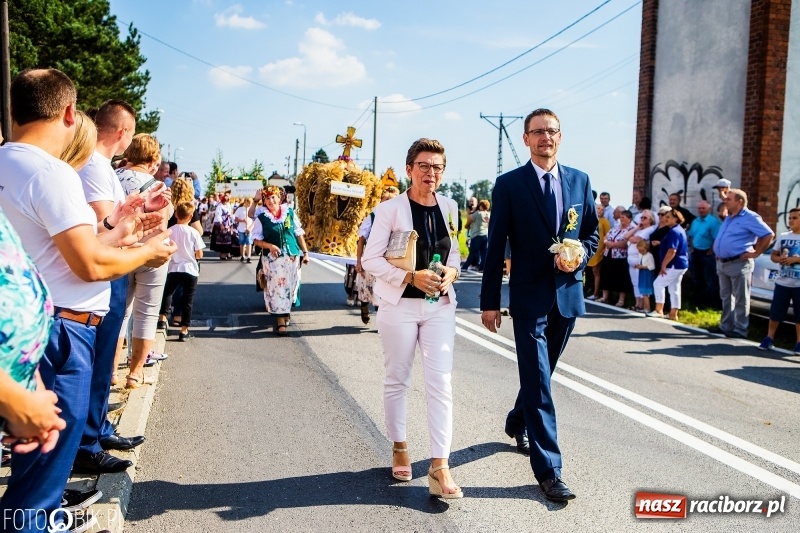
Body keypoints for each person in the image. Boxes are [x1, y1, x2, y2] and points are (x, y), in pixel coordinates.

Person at [0, 68, 174, 533]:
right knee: (42, 471)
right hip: (60, 330)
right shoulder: (50, 172)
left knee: (34, 466)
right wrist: (149, 252)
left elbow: (61, 247)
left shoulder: (9, 162)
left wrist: (118, 226)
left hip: (32, 328)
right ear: (69, 113)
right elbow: (90, 265)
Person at [480, 109, 598, 502]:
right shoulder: (509, 184)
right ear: (526, 139)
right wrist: (490, 301)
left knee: (541, 376)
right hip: (528, 297)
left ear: (560, 137)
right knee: (538, 380)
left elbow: (591, 234)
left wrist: (579, 257)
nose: (545, 137)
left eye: (552, 131)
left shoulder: (580, 180)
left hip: (567, 295)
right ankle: (550, 471)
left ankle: (518, 420)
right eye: (538, 131)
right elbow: (495, 246)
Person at [362, 138, 463, 499]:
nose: (430, 173)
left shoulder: (450, 207)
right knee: (397, 378)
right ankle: (400, 446)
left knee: (441, 383)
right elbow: (370, 260)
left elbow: (455, 253)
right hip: (399, 306)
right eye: (424, 166)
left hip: (439, 307)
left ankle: (440, 466)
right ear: (409, 169)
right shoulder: (389, 210)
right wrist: (409, 277)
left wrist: (451, 273)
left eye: (437, 167)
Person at [77, 100, 153, 475]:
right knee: (97, 358)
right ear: (122, 132)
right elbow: (104, 223)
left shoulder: (102, 166)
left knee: (104, 354)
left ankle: (98, 428)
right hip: (105, 269)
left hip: (112, 268)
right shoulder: (93, 165)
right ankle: (88, 440)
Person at [116, 133, 175, 389]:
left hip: (119, 249)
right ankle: (135, 373)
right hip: (150, 252)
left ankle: (111, 371)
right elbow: (161, 225)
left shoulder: (113, 177)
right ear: (153, 159)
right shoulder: (158, 186)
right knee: (147, 312)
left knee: (120, 312)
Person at [710, 189, 774, 338]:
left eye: (729, 199)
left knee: (741, 298)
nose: (725, 201)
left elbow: (768, 234)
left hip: (738, 263)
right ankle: (726, 326)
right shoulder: (729, 216)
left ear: (739, 202)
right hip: (723, 263)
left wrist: (756, 253)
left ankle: (740, 330)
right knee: (726, 297)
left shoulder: (750, 217)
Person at [251, 186, 310, 335]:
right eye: (267, 198)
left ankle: (286, 312)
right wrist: (269, 246)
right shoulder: (262, 217)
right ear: (264, 201)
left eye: (273, 197)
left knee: (291, 286)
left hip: (292, 257)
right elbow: (256, 240)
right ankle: (280, 322)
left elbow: (298, 233)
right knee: (277, 289)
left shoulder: (289, 212)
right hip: (273, 261)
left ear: (279, 198)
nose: (271, 201)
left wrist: (305, 252)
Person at [158, 203, 205, 342]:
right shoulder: (194, 232)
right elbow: (199, 254)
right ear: (190, 217)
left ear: (176, 214)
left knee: (168, 293)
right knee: (188, 300)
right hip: (190, 269)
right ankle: (184, 330)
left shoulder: (170, 231)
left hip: (173, 268)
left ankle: (162, 318)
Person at [355, 186, 400, 324]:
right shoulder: (373, 216)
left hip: (389, 260)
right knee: (366, 287)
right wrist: (359, 261)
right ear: (381, 201)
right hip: (372, 258)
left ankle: (382, 322)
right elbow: (361, 240)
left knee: (383, 292)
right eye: (387, 201)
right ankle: (364, 306)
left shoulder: (398, 217)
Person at [759, 208, 800, 353]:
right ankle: (769, 338)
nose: (791, 220)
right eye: (790, 218)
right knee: (775, 312)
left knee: (798, 315)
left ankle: (799, 342)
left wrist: (796, 260)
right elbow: (773, 255)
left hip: (798, 284)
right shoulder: (783, 236)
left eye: (795, 218)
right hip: (782, 282)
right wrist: (779, 259)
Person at [647, 209, 689, 320]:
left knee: (658, 283)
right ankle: (673, 314)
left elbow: (672, 250)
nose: (665, 219)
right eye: (665, 216)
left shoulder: (674, 231)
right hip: (681, 264)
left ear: (676, 219)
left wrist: (664, 265)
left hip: (674, 264)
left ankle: (659, 310)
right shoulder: (678, 230)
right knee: (674, 288)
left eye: (668, 217)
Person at [686, 200, 721, 305]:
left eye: (703, 208)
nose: (701, 210)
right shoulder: (695, 221)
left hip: (707, 254)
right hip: (696, 252)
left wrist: (711, 250)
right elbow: (691, 235)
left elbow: (716, 238)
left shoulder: (714, 222)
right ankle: (698, 301)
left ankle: (710, 303)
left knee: (709, 279)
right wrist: (692, 248)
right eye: (699, 208)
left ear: (709, 209)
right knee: (696, 277)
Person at [599, 209, 635, 306]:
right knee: (606, 274)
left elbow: (626, 243)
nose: (621, 219)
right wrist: (607, 242)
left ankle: (621, 300)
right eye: (621, 217)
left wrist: (613, 244)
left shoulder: (631, 229)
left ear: (629, 219)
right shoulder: (616, 227)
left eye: (623, 217)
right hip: (608, 253)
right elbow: (606, 236)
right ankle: (605, 297)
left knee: (621, 278)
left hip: (620, 256)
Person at [624, 209, 656, 311]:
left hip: (640, 259)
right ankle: (637, 303)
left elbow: (634, 239)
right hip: (631, 259)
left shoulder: (650, 229)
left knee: (640, 282)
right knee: (635, 283)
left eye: (645, 217)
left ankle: (643, 304)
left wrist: (632, 238)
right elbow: (626, 236)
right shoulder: (639, 229)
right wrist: (637, 227)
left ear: (651, 220)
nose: (642, 219)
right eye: (641, 217)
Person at [585, 203, 610, 300]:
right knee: (585, 270)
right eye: (598, 208)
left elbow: (608, 235)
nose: (600, 210)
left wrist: (605, 248)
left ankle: (595, 293)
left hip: (599, 249)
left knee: (596, 272)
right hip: (589, 246)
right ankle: (586, 289)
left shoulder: (605, 221)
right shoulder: (591, 218)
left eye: (602, 209)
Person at [462, 199, 490, 272]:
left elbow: (469, 218)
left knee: (473, 252)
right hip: (485, 235)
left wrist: (467, 225)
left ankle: (465, 266)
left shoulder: (478, 214)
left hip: (476, 235)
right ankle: (482, 268)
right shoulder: (488, 214)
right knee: (483, 253)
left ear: (481, 206)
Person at [634, 240, 656, 313]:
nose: (641, 252)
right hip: (642, 273)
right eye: (639, 251)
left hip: (647, 274)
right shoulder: (640, 255)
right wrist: (638, 265)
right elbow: (641, 262)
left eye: (642, 251)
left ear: (646, 248)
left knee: (645, 292)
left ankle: (647, 308)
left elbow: (652, 266)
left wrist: (643, 267)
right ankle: (645, 307)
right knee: (643, 292)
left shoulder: (649, 255)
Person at [212, 194, 234, 260]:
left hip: (227, 223)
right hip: (221, 223)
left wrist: (231, 222)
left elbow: (230, 213)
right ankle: (222, 255)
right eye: (225, 200)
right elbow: (218, 215)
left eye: (227, 200)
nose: (226, 201)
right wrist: (221, 224)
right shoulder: (219, 206)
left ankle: (227, 253)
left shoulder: (228, 205)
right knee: (221, 241)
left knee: (228, 240)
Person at [235, 197, 254, 263]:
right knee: (242, 243)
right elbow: (236, 219)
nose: (249, 204)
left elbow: (255, 220)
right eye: (248, 203)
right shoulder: (240, 209)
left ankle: (249, 257)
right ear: (245, 202)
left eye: (250, 203)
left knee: (249, 242)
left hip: (249, 229)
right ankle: (242, 256)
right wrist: (242, 220)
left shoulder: (252, 210)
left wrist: (250, 227)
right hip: (241, 229)